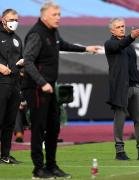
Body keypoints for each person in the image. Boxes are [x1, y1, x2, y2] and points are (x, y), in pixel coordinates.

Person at [22, 2, 101, 179]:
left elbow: (62, 44)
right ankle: (38, 169)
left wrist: (85, 49)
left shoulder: (53, 32)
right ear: (44, 16)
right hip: (36, 88)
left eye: (59, 14)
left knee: (53, 127)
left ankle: (52, 166)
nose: (58, 17)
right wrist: (42, 83)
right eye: (55, 14)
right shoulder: (36, 33)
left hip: (49, 88)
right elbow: (27, 61)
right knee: (38, 128)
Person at [104, 18, 139, 161]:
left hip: (135, 86)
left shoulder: (130, 46)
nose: (122, 28)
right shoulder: (110, 44)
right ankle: (120, 151)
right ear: (112, 30)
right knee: (120, 120)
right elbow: (119, 46)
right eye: (118, 27)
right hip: (121, 88)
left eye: (123, 26)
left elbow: (133, 65)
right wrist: (131, 37)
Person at [0, 9, 23, 164]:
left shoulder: (17, 39)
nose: (14, 22)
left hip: (15, 84)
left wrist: (24, 63)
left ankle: (5, 155)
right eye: (11, 19)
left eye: (16, 20)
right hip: (1, 82)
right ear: (3, 19)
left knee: (9, 122)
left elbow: (21, 58)